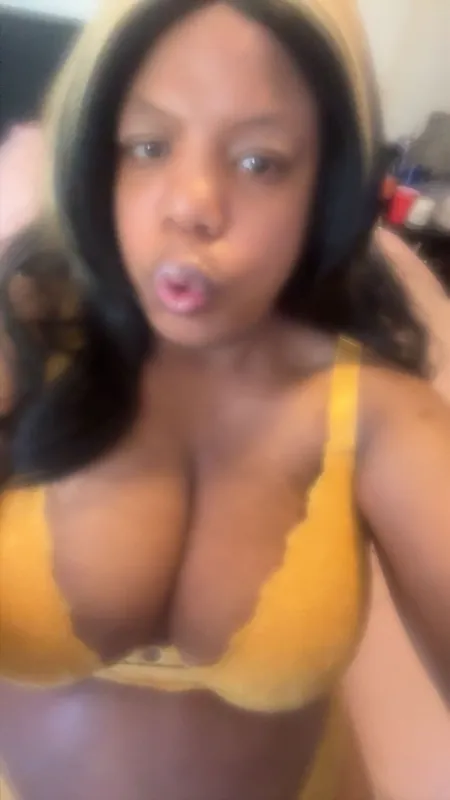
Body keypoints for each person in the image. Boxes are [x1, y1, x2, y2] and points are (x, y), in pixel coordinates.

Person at [0, 1, 449, 799]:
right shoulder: (22, 341)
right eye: (147, 146)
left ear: (325, 187)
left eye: (259, 162)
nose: (192, 205)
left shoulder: (374, 412)